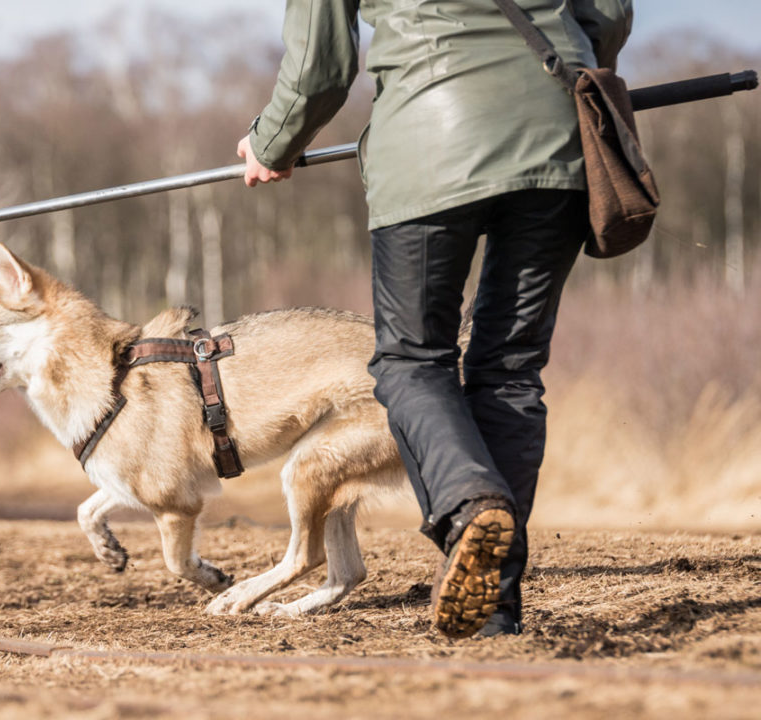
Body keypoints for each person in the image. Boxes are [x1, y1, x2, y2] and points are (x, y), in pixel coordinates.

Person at [238, 0, 632, 638]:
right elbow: (608, 12)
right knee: (510, 368)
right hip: (561, 131)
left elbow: (320, 67)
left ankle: (467, 505)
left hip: (430, 139)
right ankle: (494, 611)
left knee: (412, 361)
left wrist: (272, 141)